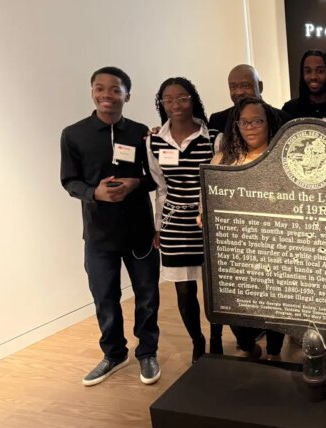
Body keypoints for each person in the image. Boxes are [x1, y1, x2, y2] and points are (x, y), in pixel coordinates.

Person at [60, 66, 161, 386]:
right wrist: (94, 193)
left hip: (139, 232)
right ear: (92, 92)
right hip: (98, 234)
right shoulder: (73, 134)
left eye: (115, 89)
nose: (107, 95)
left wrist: (134, 183)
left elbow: (154, 178)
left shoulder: (141, 132)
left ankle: (148, 352)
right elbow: (69, 180)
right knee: (104, 296)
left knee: (147, 295)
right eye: (100, 88)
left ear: (127, 95)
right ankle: (114, 354)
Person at [198, 96, 287, 360]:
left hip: (274, 248)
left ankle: (274, 352)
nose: (250, 127)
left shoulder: (283, 159)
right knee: (237, 309)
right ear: (236, 125)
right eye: (244, 122)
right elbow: (208, 198)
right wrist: (204, 215)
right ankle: (248, 345)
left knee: (275, 307)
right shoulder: (222, 160)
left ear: (268, 123)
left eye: (257, 121)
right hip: (235, 251)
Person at [146, 77, 217, 364]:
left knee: (214, 288)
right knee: (185, 290)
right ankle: (197, 341)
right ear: (161, 104)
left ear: (193, 99)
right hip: (175, 223)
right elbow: (161, 189)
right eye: (168, 99)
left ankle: (215, 340)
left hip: (206, 222)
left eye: (182, 98)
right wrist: (158, 227)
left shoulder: (213, 137)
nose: (175, 104)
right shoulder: (153, 141)